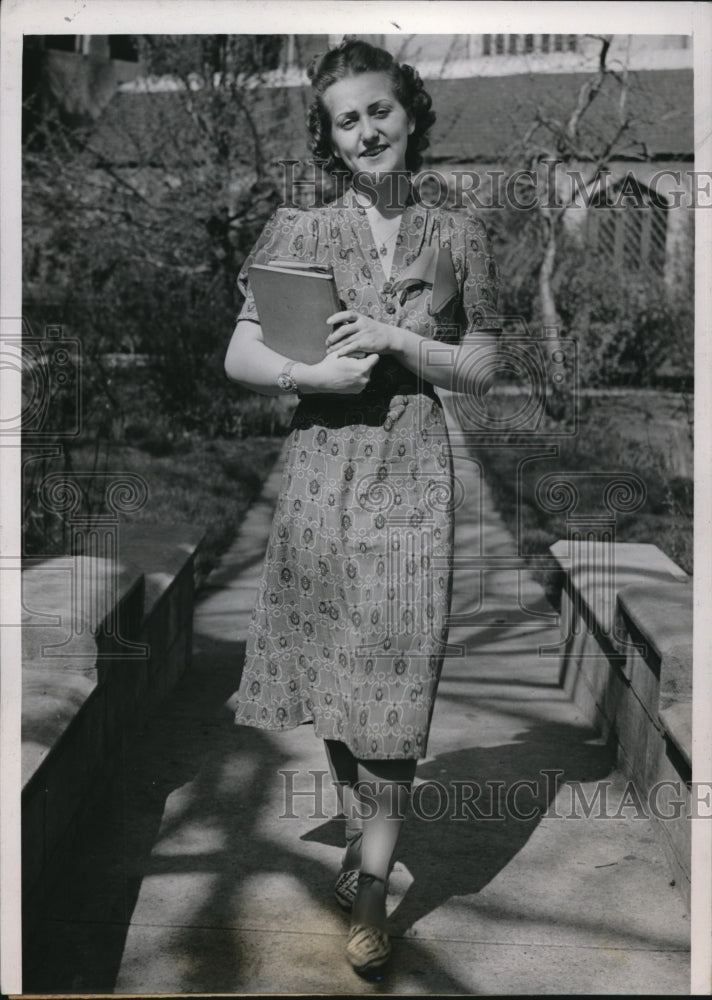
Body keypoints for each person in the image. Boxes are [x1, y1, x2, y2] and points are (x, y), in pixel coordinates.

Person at [224, 38, 500, 979]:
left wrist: (390, 336)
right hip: (318, 476)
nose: (367, 130)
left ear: (410, 113)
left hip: (411, 480)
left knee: (396, 678)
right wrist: (313, 373)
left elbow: (485, 365)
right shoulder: (297, 230)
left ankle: (374, 884)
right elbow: (241, 356)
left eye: (379, 109)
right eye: (347, 120)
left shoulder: (458, 233)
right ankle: (364, 845)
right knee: (338, 678)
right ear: (332, 139)